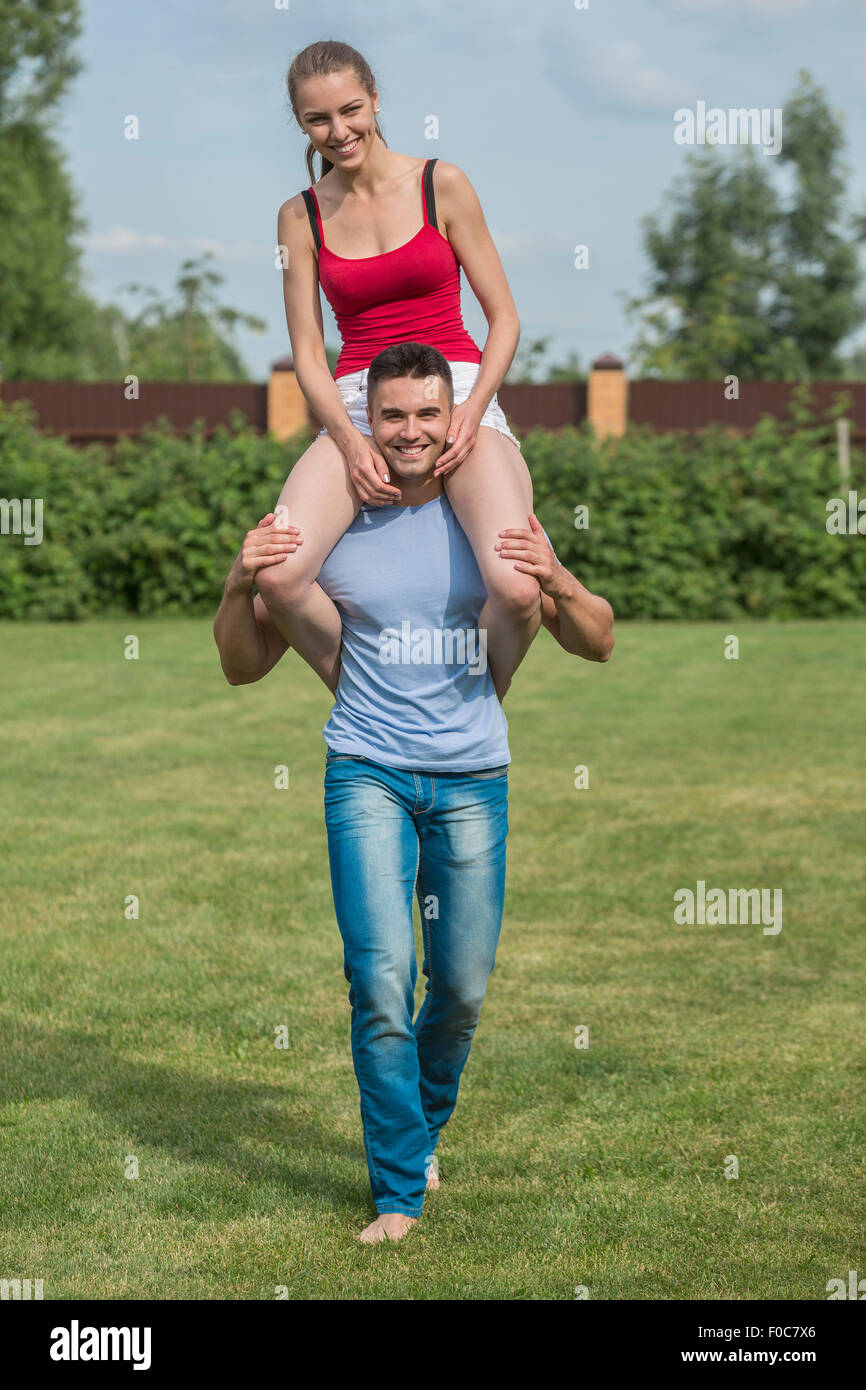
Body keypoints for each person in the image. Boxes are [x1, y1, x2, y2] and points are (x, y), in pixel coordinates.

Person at [213, 343, 615, 1243]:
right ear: (369, 420)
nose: (409, 432)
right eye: (391, 416)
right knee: (381, 978)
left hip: (475, 779)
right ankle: (398, 1188)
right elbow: (241, 666)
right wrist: (239, 582)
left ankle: (423, 1128)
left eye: (426, 415)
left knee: (462, 986)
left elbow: (599, 639)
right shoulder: (332, 525)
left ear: (453, 418)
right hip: (366, 773)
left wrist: (558, 578)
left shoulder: (491, 527)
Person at [257, 39, 542, 704]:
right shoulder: (297, 218)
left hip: (458, 388)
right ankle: (371, 703)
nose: (339, 131)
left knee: (513, 584)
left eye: (351, 110)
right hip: (357, 401)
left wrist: (472, 415)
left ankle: (468, 709)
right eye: (318, 120)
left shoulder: (442, 183)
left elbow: (505, 318)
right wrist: (350, 441)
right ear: (301, 124)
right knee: (282, 572)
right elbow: (307, 352)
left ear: (376, 99)